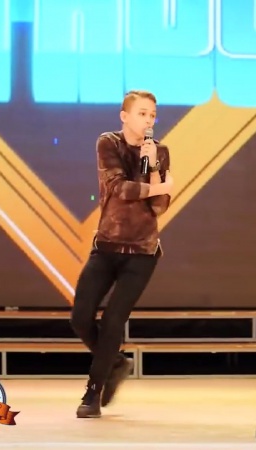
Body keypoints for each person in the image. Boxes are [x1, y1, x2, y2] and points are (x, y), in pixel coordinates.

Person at [70, 90, 174, 418]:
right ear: (124, 116)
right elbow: (119, 188)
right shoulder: (109, 143)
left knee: (113, 320)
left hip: (142, 251)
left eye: (152, 115)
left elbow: (158, 207)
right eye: (142, 113)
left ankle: (93, 391)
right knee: (80, 317)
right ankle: (115, 362)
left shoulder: (159, 151)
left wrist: (154, 168)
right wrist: (161, 186)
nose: (148, 120)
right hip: (107, 245)